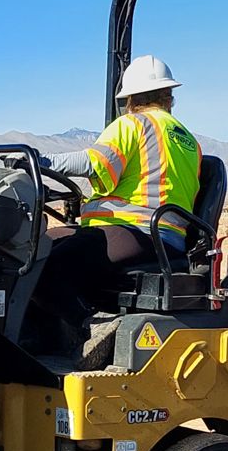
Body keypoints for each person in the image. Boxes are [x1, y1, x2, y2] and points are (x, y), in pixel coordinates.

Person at [36, 54, 204, 336]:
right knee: (45, 245)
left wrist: (41, 161)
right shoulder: (189, 140)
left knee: (38, 264)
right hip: (168, 238)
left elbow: (95, 163)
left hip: (140, 231)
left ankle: (89, 333)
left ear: (130, 98)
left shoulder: (133, 124)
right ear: (168, 96)